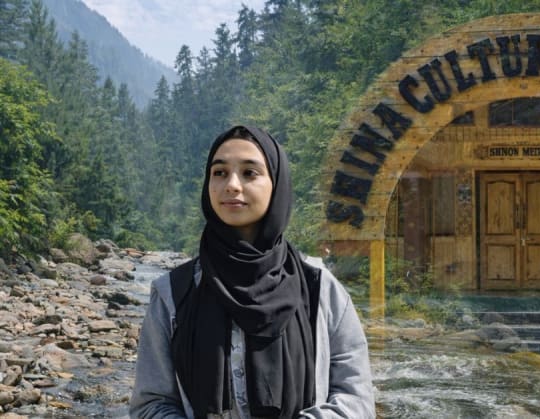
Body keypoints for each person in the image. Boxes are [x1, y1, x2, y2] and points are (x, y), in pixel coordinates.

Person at [130, 125, 375, 418]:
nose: (232, 185)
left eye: (249, 173)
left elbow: (355, 399)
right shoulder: (174, 292)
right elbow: (150, 403)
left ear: (277, 184)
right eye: (219, 173)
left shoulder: (319, 287)